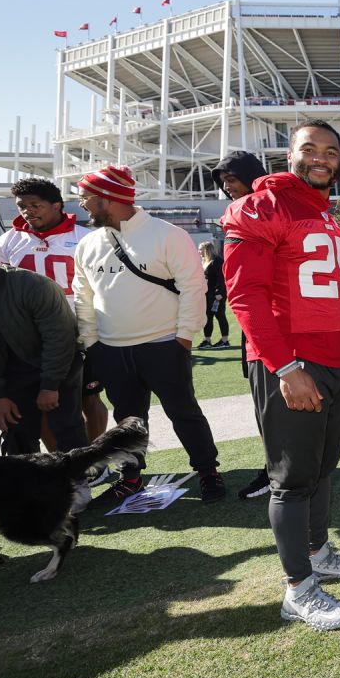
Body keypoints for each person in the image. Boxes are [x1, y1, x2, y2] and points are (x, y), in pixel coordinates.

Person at [222, 119, 340, 631]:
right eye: (309, 149)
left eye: (331, 151)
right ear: (287, 154)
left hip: (330, 359)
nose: (321, 158)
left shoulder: (324, 213)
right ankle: (298, 588)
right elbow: (246, 296)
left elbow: (327, 295)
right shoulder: (261, 205)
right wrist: (285, 367)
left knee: (322, 468)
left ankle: (318, 551)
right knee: (290, 481)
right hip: (291, 363)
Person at [72, 164, 225, 503]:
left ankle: (208, 472)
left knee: (183, 413)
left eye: (86, 197)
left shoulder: (166, 234)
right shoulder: (88, 243)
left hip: (163, 344)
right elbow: (82, 296)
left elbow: (193, 286)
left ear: (107, 198)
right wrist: (95, 344)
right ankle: (131, 477)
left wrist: (183, 337)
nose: (81, 203)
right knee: (126, 419)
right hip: (111, 349)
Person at [0, 177, 109, 445]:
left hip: (79, 329)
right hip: (26, 337)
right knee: (44, 404)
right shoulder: (7, 242)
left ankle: (95, 458)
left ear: (57, 205)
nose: (28, 211)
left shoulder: (86, 238)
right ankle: (61, 461)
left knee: (89, 397)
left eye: (36, 205)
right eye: (22, 205)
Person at [211, 149, 272, 500]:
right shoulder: (236, 214)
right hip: (252, 329)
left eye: (231, 179)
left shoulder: (270, 210)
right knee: (262, 406)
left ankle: (277, 471)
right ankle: (274, 466)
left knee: (277, 409)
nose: (227, 187)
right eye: (223, 181)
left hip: (277, 324)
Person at [0, 263, 86, 458]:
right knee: (16, 433)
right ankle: (26, 485)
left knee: (66, 428)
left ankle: (80, 483)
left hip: (59, 359)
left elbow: (60, 338)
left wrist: (50, 385)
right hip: (11, 368)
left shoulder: (34, 285)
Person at [197, 242, 229, 350]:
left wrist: (219, 292)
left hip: (217, 295)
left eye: (200, 249)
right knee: (207, 317)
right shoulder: (205, 261)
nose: (199, 251)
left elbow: (222, 278)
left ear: (206, 249)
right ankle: (207, 340)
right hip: (207, 294)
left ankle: (225, 341)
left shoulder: (217, 261)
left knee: (220, 316)